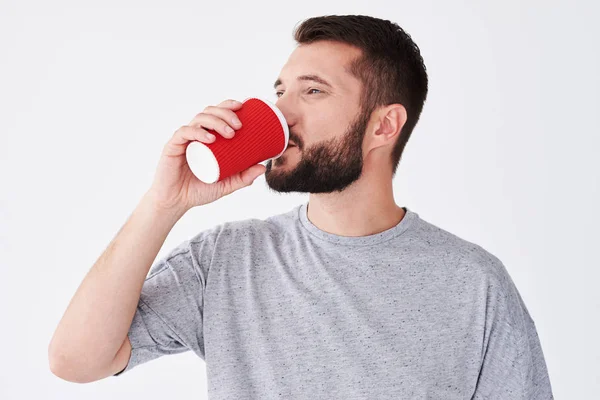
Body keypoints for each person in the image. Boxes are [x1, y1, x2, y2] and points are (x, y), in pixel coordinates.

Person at [48, 14, 553, 399]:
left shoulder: (474, 283)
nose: (280, 114)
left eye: (313, 91)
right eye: (280, 91)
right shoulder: (228, 259)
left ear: (384, 125)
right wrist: (164, 203)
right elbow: (76, 360)